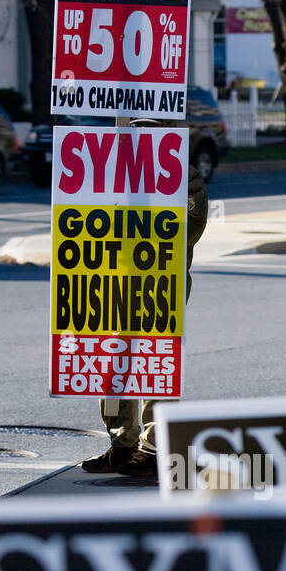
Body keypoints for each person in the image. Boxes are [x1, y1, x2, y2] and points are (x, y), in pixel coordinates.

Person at [81, 155, 209, 482]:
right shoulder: (107, 165)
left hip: (160, 288)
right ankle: (122, 444)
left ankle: (153, 451)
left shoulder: (183, 173)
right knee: (112, 364)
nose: (142, 136)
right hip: (113, 283)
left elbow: (190, 228)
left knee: (155, 365)